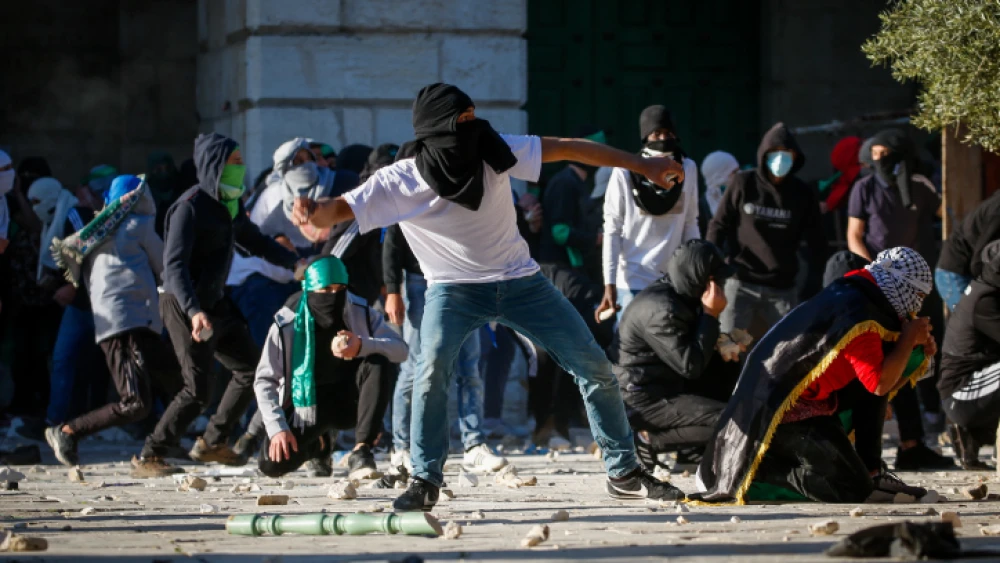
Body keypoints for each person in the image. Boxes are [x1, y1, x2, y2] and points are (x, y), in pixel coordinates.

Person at [293, 82, 688, 510]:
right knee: (431, 373)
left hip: (522, 283)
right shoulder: (400, 179)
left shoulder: (494, 149)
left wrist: (641, 167)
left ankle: (624, 470)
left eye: (474, 116)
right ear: (437, 131)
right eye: (462, 121)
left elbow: (573, 149)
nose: (474, 127)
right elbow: (340, 209)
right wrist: (312, 212)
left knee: (594, 365)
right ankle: (425, 478)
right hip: (451, 290)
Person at [694, 247, 937, 504]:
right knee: (852, 490)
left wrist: (913, 347)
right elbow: (879, 384)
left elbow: (881, 383)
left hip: (814, 400)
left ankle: (872, 469)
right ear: (900, 286)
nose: (917, 303)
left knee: (897, 355)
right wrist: (909, 338)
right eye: (916, 294)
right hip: (782, 410)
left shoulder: (866, 293)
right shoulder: (859, 314)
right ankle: (758, 475)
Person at [134, 132, 303, 477]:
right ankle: (150, 454)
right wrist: (194, 312)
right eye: (235, 164)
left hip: (216, 301)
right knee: (197, 388)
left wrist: (294, 263)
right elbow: (174, 268)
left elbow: (253, 239)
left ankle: (213, 441)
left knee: (252, 369)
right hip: (184, 303)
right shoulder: (189, 207)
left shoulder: (230, 204)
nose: (241, 171)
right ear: (215, 165)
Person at [44, 176, 179, 466]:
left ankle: (162, 445)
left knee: (178, 382)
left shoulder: (95, 233)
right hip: (128, 323)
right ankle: (68, 432)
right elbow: (167, 270)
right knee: (137, 402)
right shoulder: (139, 226)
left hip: (122, 322)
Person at [847, 128, 952, 471]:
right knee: (891, 358)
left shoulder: (921, 186)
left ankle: (918, 439)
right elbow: (854, 236)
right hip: (882, 287)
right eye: (874, 154)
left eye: (886, 153)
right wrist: (877, 272)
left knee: (925, 354)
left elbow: (948, 216)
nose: (880, 161)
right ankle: (892, 446)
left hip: (919, 285)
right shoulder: (864, 188)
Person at [254, 255, 406, 479]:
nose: (333, 296)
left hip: (350, 400)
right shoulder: (286, 323)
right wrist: (278, 428)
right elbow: (265, 380)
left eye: (339, 288)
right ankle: (321, 445)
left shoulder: (359, 310)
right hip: (308, 404)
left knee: (379, 360)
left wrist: (362, 345)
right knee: (271, 464)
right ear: (309, 290)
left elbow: (400, 350)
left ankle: (361, 450)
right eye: (325, 290)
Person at [383, 223, 507, 474]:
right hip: (419, 279)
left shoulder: (461, 186)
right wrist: (393, 290)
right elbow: (393, 239)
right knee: (415, 366)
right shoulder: (412, 185)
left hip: (463, 277)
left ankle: (473, 445)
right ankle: (402, 448)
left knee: (469, 366)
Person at [608, 240, 736, 472]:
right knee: (732, 418)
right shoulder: (663, 309)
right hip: (639, 398)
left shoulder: (682, 293)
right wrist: (710, 315)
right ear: (702, 279)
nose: (721, 286)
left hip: (661, 384)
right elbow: (690, 366)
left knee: (727, 372)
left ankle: (690, 452)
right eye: (717, 280)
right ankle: (648, 441)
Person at [707, 122, 827, 340]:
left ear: (795, 156)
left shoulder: (802, 194)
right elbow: (719, 225)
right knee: (729, 348)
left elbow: (817, 240)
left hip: (783, 287)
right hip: (740, 280)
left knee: (789, 350)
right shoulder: (743, 183)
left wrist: (814, 279)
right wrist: (712, 269)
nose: (780, 159)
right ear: (764, 154)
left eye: (786, 153)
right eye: (775, 153)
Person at [597, 105, 699, 322]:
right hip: (632, 283)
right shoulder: (625, 171)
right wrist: (610, 283)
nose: (663, 139)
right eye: (656, 133)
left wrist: (695, 272)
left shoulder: (688, 168)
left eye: (668, 133)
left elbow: (691, 223)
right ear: (645, 136)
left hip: (674, 282)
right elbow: (612, 230)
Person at [939, 241, 1000, 470]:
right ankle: (969, 431)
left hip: (973, 388)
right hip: (961, 394)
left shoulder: (987, 289)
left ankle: (975, 436)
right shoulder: (985, 301)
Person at [538, 126, 606, 279]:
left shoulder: (579, 183)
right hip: (561, 271)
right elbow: (560, 233)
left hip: (573, 271)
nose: (605, 157)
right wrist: (596, 239)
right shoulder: (564, 183)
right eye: (600, 150)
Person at [936, 191, 1000, 312]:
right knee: (975, 322)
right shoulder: (997, 211)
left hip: (968, 271)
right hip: (955, 273)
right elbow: (980, 260)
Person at [699, 151, 739, 229]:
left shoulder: (741, 200)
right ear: (719, 175)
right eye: (734, 172)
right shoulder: (700, 210)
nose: (739, 175)